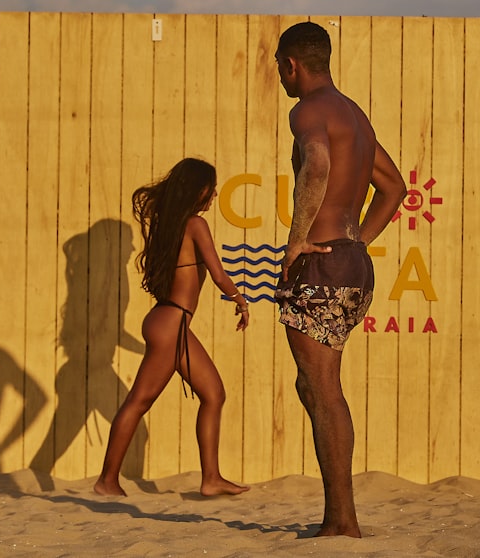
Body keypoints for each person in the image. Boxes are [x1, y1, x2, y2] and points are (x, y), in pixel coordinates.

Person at [273, 22, 406, 538]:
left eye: (279, 69)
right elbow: (393, 188)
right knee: (314, 386)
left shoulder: (308, 110)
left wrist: (297, 239)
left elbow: (317, 166)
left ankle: (341, 521)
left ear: (291, 65)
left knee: (323, 389)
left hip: (321, 264)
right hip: (352, 262)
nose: (280, 78)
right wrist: (358, 241)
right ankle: (338, 515)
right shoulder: (356, 115)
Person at [93, 157, 251, 498]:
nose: (214, 193)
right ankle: (107, 481)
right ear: (198, 190)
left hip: (170, 322)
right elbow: (219, 273)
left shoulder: (171, 223)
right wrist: (240, 300)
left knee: (213, 393)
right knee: (139, 401)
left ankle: (211, 478)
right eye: (211, 187)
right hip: (172, 322)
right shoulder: (195, 225)